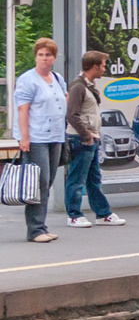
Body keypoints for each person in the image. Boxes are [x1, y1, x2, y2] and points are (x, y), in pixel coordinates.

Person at [16, 38, 69, 242]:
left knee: (48, 182)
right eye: (41, 54)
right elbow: (23, 109)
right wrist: (24, 138)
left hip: (55, 136)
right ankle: (35, 229)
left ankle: (42, 226)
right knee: (39, 181)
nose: (44, 58)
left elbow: (64, 100)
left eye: (48, 55)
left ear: (54, 58)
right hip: (36, 137)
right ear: (35, 56)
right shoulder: (28, 80)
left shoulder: (56, 78)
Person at [64, 50, 123, 228]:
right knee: (76, 178)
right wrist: (86, 135)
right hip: (81, 139)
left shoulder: (88, 86)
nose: (105, 69)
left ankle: (102, 213)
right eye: (103, 65)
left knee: (93, 178)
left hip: (91, 138)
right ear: (95, 66)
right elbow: (71, 115)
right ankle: (73, 215)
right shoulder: (78, 87)